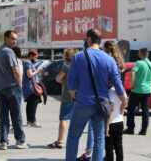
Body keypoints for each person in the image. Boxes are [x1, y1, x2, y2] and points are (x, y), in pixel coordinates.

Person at [66, 29, 127, 161]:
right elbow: (118, 84)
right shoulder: (109, 60)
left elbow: (70, 85)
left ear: (88, 39)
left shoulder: (78, 57)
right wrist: (124, 101)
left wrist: (75, 97)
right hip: (101, 105)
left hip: (82, 103)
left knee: (73, 137)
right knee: (99, 139)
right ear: (100, 41)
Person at [0, 30, 27, 150]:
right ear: (6, 38)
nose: (15, 41)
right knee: (16, 115)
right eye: (12, 38)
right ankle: (20, 140)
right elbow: (16, 71)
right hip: (12, 88)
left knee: (3, 116)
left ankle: (4, 142)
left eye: (16, 39)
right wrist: (19, 85)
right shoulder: (9, 52)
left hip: (0, 88)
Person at [103, 41, 127, 161]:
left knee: (109, 146)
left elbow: (109, 112)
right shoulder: (119, 60)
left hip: (111, 123)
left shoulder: (108, 60)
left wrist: (106, 126)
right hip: (120, 121)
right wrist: (122, 113)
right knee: (119, 145)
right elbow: (124, 104)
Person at [124, 48, 151, 136]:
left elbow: (133, 72)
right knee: (145, 110)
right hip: (147, 90)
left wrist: (132, 84)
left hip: (137, 90)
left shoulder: (138, 63)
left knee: (131, 109)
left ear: (141, 54)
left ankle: (130, 129)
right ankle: (144, 130)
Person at [48, 48, 75, 148]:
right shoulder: (78, 66)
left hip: (67, 95)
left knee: (64, 118)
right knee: (74, 120)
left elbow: (58, 79)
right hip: (78, 95)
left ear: (65, 56)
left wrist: (63, 80)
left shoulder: (66, 66)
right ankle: (72, 141)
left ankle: (60, 141)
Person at [22, 49, 44, 128]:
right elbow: (29, 75)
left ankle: (29, 121)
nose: (36, 59)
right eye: (35, 57)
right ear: (31, 55)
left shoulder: (26, 62)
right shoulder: (28, 63)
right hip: (31, 87)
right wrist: (38, 71)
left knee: (30, 104)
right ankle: (33, 121)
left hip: (28, 86)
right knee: (33, 104)